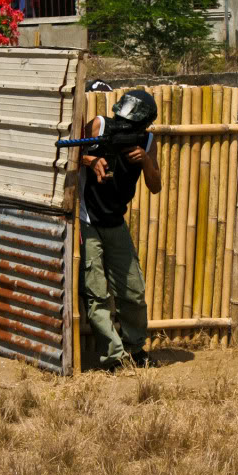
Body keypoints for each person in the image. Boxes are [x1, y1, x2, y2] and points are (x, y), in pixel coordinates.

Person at [79, 89, 161, 371]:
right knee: (97, 294)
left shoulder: (148, 140)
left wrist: (147, 161)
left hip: (116, 221)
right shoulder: (100, 124)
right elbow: (74, 153)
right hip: (88, 219)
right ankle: (114, 358)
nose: (123, 127)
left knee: (133, 292)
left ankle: (136, 350)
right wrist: (92, 161)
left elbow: (156, 185)